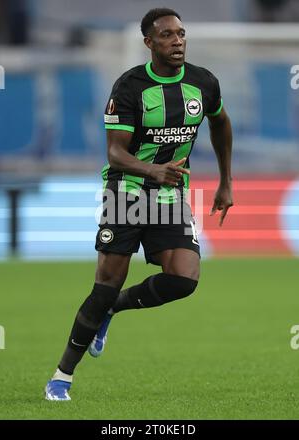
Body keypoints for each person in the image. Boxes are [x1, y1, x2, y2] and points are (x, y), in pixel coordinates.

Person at [45, 7, 233, 401]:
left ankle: (114, 310)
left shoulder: (203, 82)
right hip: (127, 192)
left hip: (168, 194)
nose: (177, 41)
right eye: (167, 35)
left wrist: (225, 181)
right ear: (149, 43)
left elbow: (220, 122)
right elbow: (116, 153)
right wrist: (153, 170)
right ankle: (61, 376)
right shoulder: (130, 87)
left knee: (184, 279)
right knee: (105, 284)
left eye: (181, 33)